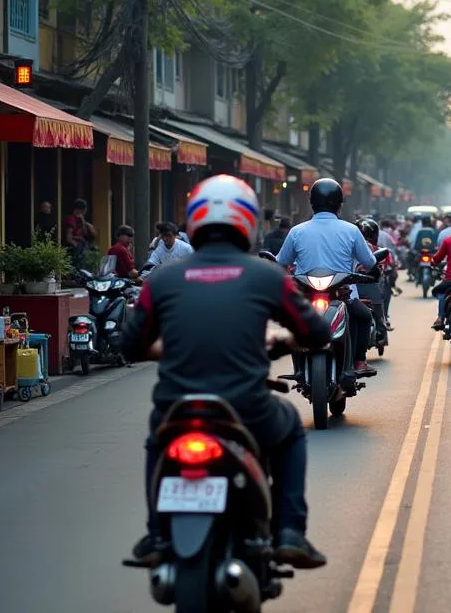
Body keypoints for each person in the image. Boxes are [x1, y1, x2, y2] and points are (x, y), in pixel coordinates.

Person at [120, 175, 331, 570]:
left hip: (176, 409)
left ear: (193, 222)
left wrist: (162, 349)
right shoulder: (266, 276)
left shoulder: (163, 278)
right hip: (247, 408)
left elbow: (129, 344)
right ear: (247, 222)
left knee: (156, 439)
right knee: (290, 431)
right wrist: (283, 342)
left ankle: (156, 532)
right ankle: (289, 532)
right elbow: (317, 332)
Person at [276, 179, 379, 377]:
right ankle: (359, 361)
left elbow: (282, 261)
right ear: (339, 203)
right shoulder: (351, 230)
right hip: (341, 294)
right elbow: (369, 261)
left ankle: (297, 367)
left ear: (312, 202)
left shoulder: (297, 231)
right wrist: (375, 272)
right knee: (364, 316)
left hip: (306, 294)